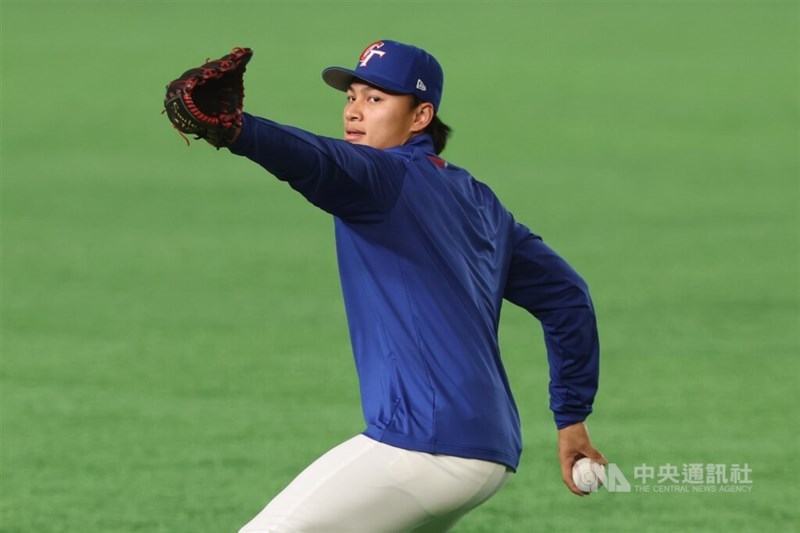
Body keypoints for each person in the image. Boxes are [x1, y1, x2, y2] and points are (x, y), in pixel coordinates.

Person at [225, 40, 606, 532]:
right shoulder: (479, 200)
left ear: (421, 115)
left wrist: (236, 128)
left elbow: (313, 158)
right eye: (351, 97)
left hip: (422, 443)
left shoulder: (380, 176)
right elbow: (568, 297)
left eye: (376, 99)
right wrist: (571, 417)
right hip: (489, 451)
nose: (355, 112)